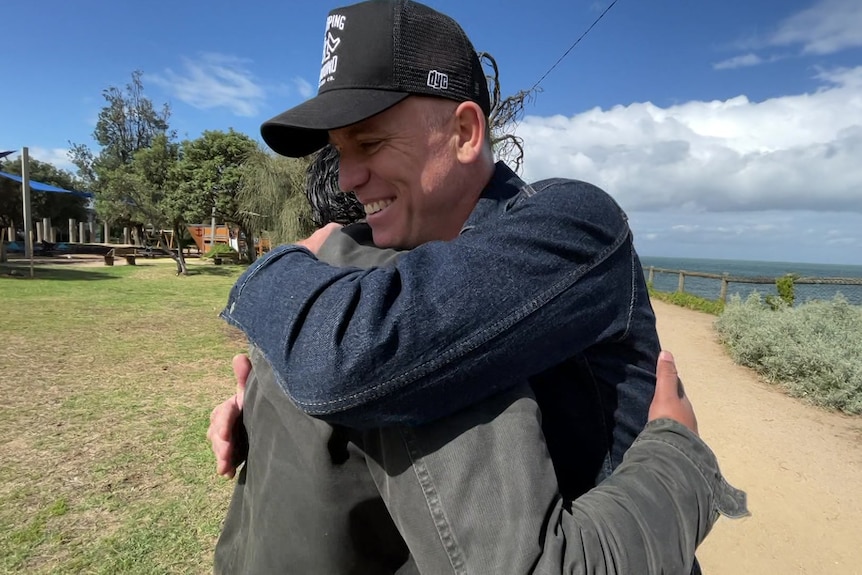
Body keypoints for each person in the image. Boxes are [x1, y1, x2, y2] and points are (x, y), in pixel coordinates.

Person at [210, 1, 747, 573]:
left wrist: (281, 266)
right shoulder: (387, 255)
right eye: (340, 151)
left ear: (465, 132)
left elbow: (351, 353)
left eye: (368, 143)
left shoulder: (573, 223)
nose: (346, 177)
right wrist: (279, 416)